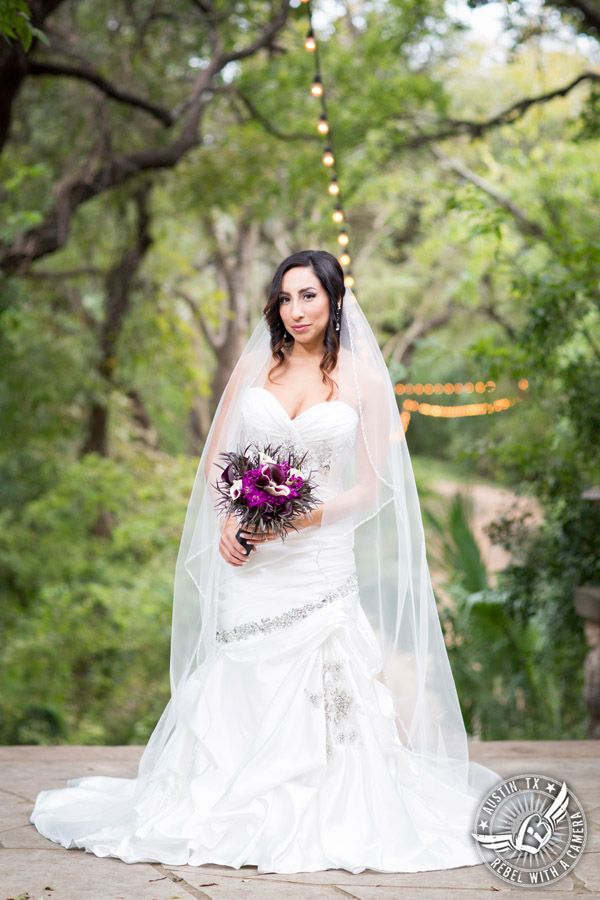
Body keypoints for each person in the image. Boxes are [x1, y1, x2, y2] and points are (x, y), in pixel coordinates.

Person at [30, 249, 501, 874]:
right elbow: (217, 463)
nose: (295, 309)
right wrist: (232, 517)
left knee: (325, 675)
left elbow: (367, 490)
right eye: (285, 298)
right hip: (251, 563)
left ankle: (334, 811)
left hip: (318, 561)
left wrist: (292, 520)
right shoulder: (258, 365)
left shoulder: (362, 378)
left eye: (308, 295)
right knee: (240, 669)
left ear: (334, 298)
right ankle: (217, 796)